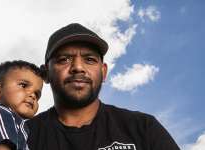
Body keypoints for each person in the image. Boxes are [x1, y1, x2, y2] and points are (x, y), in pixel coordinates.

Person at [26, 23, 180, 150]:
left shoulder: (143, 127)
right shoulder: (24, 134)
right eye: (64, 59)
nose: (78, 67)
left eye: (90, 59)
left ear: (103, 72)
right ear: (46, 74)